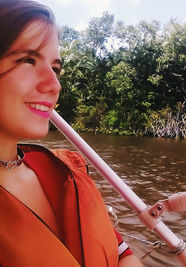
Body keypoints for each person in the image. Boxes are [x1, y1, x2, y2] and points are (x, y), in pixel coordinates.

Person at [0, 0, 144, 266]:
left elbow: (121, 252)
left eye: (55, 69)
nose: (54, 85)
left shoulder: (63, 170)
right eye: (28, 60)